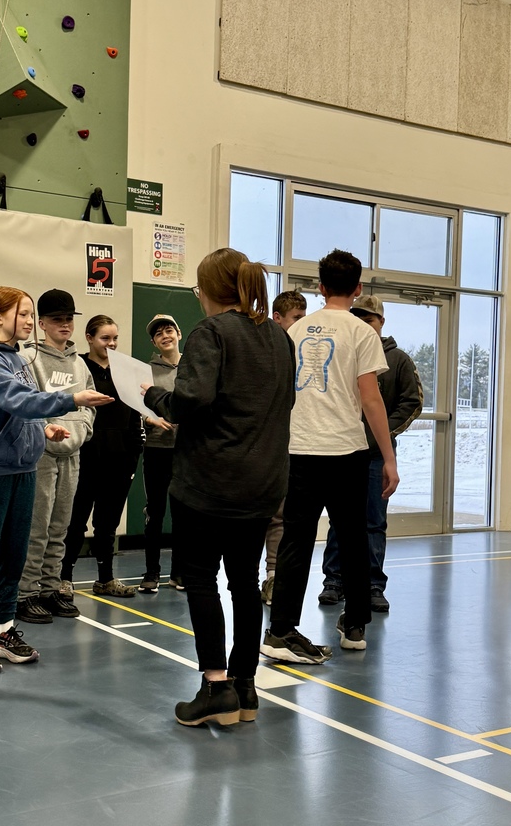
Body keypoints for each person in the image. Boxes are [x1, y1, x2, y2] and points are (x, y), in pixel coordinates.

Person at [143, 248, 295, 727]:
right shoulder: (277, 336)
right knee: (245, 583)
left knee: (202, 580)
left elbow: (191, 398)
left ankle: (216, 688)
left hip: (209, 483)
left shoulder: (210, 332)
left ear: (207, 291)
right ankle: (246, 689)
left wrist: (151, 394)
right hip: (262, 482)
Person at [0, 288, 111, 673]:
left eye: (29, 314)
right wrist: (72, 400)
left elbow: (24, 408)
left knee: (14, 554)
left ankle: (5, 629)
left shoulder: (14, 358)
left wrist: (42, 432)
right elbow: (17, 400)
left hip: (24, 467)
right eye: (22, 314)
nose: (29, 321)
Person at [260, 249, 399, 665]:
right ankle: (354, 624)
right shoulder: (362, 333)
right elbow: (371, 398)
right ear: (358, 289)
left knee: (295, 540)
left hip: (298, 450)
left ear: (320, 288)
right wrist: (389, 458)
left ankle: (281, 628)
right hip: (346, 451)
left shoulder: (295, 330)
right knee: (354, 537)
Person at [318, 294, 422, 613]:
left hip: (377, 456)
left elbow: (412, 402)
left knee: (373, 521)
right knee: (339, 519)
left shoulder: (398, 360)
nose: (364, 324)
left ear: (381, 323)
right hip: (342, 451)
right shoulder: (342, 355)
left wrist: (380, 434)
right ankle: (334, 581)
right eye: (359, 318)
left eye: (370, 319)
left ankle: (373, 584)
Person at [16, 289, 96, 624]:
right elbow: (27, 403)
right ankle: (25, 594)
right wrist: (47, 432)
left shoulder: (80, 364)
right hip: (41, 455)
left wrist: (82, 431)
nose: (64, 324)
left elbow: (90, 404)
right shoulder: (28, 360)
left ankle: (50, 589)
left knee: (60, 526)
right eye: (57, 319)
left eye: (68, 319)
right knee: (37, 526)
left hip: (72, 455)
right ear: (43, 323)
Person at [61, 316, 145, 599]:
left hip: (120, 459)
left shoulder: (126, 370)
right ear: (89, 337)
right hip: (86, 456)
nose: (111, 344)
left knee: (108, 523)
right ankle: (64, 579)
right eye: (104, 338)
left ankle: (105, 579)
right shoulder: (78, 366)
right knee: (75, 520)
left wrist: (134, 453)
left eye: (114, 339)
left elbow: (135, 414)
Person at [261, 290, 307, 605]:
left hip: (293, 445)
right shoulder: (264, 348)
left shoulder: (304, 351)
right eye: (297, 319)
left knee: (280, 516)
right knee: (256, 515)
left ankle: (274, 577)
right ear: (278, 318)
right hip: (260, 446)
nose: (302, 326)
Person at [139, 314, 183, 594]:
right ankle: (151, 573)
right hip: (156, 449)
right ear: (154, 342)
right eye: (158, 334)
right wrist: (151, 419)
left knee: (183, 515)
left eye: (169, 330)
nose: (165, 336)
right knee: (155, 513)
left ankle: (179, 573)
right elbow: (138, 406)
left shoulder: (194, 367)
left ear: (178, 333)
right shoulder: (146, 371)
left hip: (186, 452)